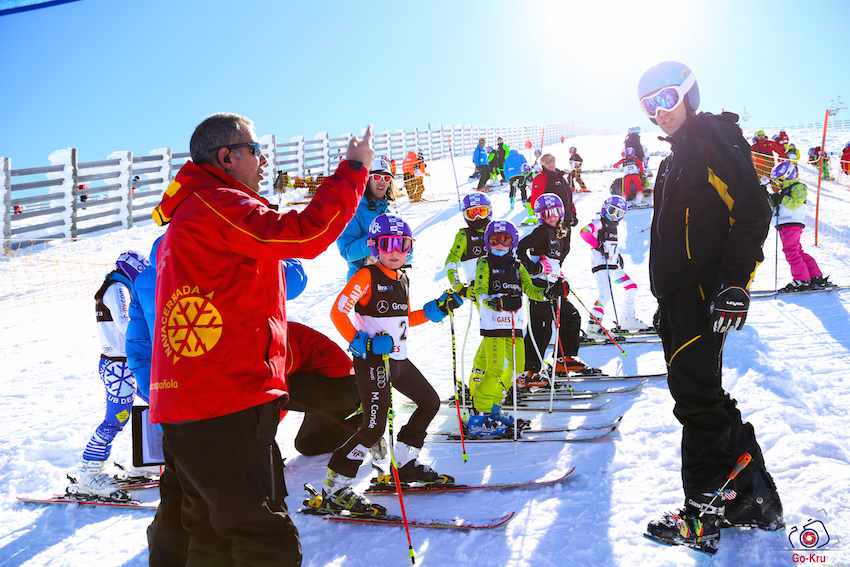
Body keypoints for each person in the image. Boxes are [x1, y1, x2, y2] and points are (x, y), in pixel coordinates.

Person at [148, 113, 373, 566]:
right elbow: (304, 234)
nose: (263, 160)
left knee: (202, 532)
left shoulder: (188, 214)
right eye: (255, 150)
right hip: (224, 397)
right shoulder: (217, 202)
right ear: (227, 156)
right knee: (258, 534)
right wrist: (353, 171)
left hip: (186, 401)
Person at [637, 61, 783, 555]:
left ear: (689, 96)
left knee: (697, 401)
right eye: (648, 105)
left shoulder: (713, 137)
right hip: (681, 298)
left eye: (667, 99)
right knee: (705, 396)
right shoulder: (673, 159)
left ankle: (703, 513)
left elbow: (751, 210)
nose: (659, 113)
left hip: (705, 294)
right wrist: (667, 300)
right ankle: (752, 496)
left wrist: (734, 283)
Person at [318, 213, 461, 516]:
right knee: (373, 427)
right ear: (374, 247)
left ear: (409, 248)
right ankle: (334, 487)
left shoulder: (403, 279)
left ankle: (405, 464)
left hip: (397, 359)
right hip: (372, 362)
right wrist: (363, 343)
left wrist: (434, 310)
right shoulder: (366, 276)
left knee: (429, 402)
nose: (395, 251)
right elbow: (338, 313)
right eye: (388, 244)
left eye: (402, 244)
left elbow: (404, 319)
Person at [67, 250, 149, 500]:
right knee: (116, 418)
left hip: (131, 361)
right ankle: (89, 473)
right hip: (119, 366)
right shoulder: (118, 288)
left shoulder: (122, 286)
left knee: (158, 404)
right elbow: (127, 323)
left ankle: (148, 459)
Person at [466, 220, 552, 435]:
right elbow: (480, 293)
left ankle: (494, 407)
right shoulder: (485, 263)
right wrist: (497, 303)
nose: (500, 244)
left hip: (515, 324)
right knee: (495, 368)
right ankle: (479, 416)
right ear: (487, 242)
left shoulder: (517, 265)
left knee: (516, 369)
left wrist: (549, 292)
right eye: (495, 240)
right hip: (493, 323)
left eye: (505, 240)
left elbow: (530, 289)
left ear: (513, 242)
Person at [516, 194, 579, 387]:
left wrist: (560, 279)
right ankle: (529, 372)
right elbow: (520, 249)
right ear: (540, 216)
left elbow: (552, 261)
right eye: (547, 213)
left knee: (571, 316)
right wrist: (533, 269)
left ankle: (562, 360)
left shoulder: (557, 233)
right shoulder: (542, 231)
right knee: (541, 329)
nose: (552, 216)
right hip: (539, 288)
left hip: (552, 286)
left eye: (556, 212)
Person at [579, 196, 649, 337]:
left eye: (619, 214)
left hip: (612, 267)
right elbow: (584, 232)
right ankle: (593, 327)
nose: (614, 216)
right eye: (612, 211)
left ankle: (627, 320)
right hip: (601, 266)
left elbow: (611, 245)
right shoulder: (599, 222)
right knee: (605, 296)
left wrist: (618, 256)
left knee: (631, 287)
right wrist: (597, 245)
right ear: (605, 209)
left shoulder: (613, 227)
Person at [445, 193, 492, 393]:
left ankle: (497, 375)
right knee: (493, 335)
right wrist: (459, 287)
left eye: (482, 212)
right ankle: (479, 378)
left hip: (504, 288)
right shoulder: (464, 235)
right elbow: (450, 262)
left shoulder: (496, 230)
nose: (478, 218)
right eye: (472, 214)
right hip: (480, 292)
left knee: (507, 335)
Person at [768, 162, 830, 292]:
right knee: (797, 251)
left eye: (780, 180)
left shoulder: (799, 187)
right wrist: (769, 198)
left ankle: (802, 279)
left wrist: (780, 198)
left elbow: (795, 203)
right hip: (785, 224)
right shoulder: (783, 191)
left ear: (788, 175)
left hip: (792, 222)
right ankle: (815, 276)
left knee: (791, 251)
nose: (778, 183)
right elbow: (775, 206)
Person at [337, 157, 398, 280]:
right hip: (363, 283)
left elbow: (408, 256)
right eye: (377, 177)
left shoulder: (392, 213)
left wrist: (407, 245)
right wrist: (376, 241)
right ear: (367, 179)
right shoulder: (353, 211)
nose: (381, 182)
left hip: (391, 283)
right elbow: (347, 252)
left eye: (386, 178)